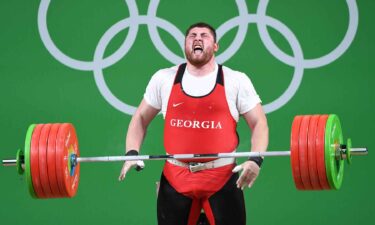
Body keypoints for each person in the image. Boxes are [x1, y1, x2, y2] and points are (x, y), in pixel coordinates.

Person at [118, 22, 269, 225]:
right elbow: (140, 118)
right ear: (185, 45)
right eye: (192, 35)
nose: (197, 38)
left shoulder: (236, 80)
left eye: (204, 35)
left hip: (221, 178)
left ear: (215, 46)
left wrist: (255, 159)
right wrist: (131, 153)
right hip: (175, 178)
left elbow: (259, 122)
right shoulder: (164, 79)